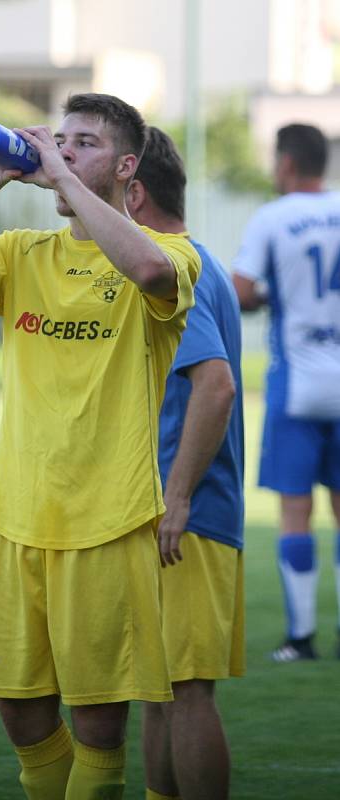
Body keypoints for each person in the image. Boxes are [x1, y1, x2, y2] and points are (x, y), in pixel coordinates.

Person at [0, 94, 200, 800]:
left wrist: (62, 183)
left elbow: (152, 276)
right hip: (15, 518)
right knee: (20, 710)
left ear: (125, 166)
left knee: (98, 724)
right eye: (58, 139)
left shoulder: (169, 254)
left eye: (84, 144)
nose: (62, 151)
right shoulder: (20, 253)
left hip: (106, 522)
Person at [126, 126, 245, 800]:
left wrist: (176, 497)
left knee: (185, 691)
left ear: (133, 192)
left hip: (189, 516)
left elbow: (216, 385)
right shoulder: (200, 258)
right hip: (180, 509)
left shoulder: (176, 264)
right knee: (157, 689)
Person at [232, 123, 340, 662]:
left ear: (287, 164)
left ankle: (301, 638)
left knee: (296, 511)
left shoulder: (273, 217)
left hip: (299, 380)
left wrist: (274, 295)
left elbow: (242, 291)